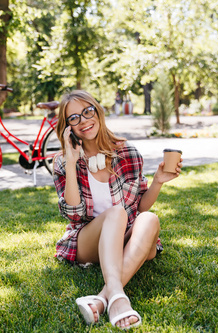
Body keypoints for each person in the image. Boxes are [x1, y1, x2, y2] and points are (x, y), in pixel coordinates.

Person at [52, 90, 182, 329]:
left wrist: (158, 181)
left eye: (87, 111)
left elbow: (140, 206)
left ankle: (102, 300)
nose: (84, 120)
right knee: (117, 212)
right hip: (89, 241)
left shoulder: (127, 153)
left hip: (126, 236)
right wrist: (72, 161)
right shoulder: (63, 162)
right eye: (74, 118)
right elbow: (73, 215)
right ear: (67, 127)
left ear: (98, 112)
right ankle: (118, 298)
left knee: (150, 218)